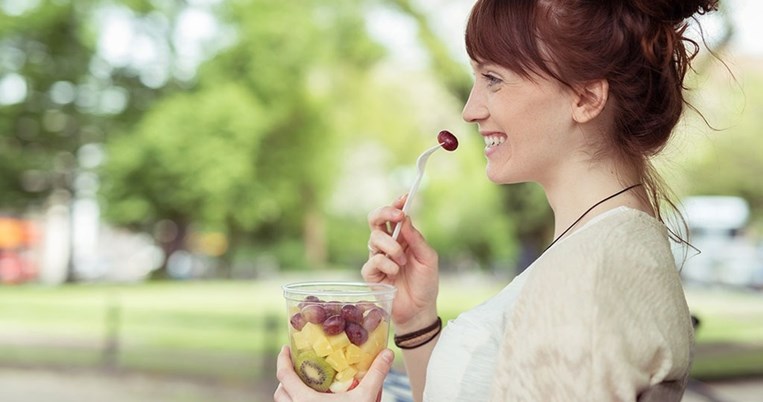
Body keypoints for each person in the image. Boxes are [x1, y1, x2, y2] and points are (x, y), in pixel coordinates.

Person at [275, 0, 720, 400]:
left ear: (585, 97)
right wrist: (415, 321)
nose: (470, 109)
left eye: (493, 79)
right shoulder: (599, 249)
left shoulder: (589, 277)